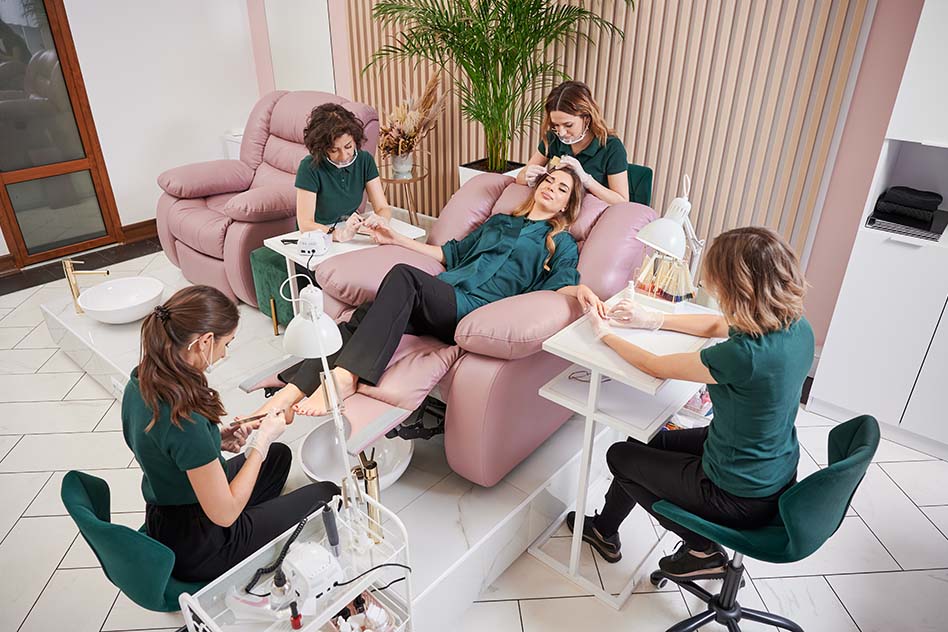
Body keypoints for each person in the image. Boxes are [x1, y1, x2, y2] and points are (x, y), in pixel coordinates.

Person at [248, 165, 605, 419]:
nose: (551, 189)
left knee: (404, 277)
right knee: (365, 315)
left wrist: (581, 290)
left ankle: (347, 377)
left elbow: (561, 284)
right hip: (443, 295)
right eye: (550, 181)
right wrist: (396, 238)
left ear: (565, 206)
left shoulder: (558, 242)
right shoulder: (500, 221)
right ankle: (289, 393)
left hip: (473, 312)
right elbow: (448, 255)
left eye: (562, 190)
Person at [570, 227, 813, 581]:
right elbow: (718, 323)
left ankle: (701, 548)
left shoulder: (744, 355)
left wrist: (604, 334)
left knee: (620, 458)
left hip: (735, 492)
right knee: (644, 436)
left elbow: (656, 366)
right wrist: (654, 319)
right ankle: (605, 530)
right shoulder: (796, 326)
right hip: (771, 469)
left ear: (737, 288)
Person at [122, 285, 340, 582]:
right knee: (327, 494)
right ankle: (247, 534)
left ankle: (257, 518)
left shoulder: (142, 379)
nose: (225, 353)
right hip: (200, 545)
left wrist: (217, 440)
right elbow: (223, 515)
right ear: (205, 341)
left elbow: (165, 448)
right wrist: (260, 442)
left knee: (277, 457)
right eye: (226, 344)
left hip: (167, 513)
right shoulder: (185, 419)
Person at [516, 81, 630, 205]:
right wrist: (529, 177)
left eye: (568, 125)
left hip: (589, 213)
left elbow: (622, 202)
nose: (562, 132)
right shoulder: (553, 139)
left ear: (586, 118)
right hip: (557, 210)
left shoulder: (611, 147)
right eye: (556, 125)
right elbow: (520, 177)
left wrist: (587, 180)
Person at [296, 103, 393, 242]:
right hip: (317, 237)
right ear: (321, 148)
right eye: (334, 150)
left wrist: (381, 220)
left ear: (355, 139)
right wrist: (338, 234)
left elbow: (383, 207)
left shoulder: (364, 160)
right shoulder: (309, 167)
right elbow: (305, 224)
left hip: (349, 232)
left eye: (348, 146)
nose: (344, 156)